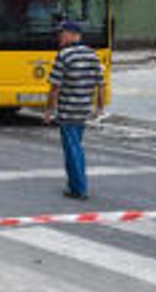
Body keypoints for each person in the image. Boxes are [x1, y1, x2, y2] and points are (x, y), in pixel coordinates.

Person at [44, 20, 105, 200]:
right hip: (83, 109)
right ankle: (73, 185)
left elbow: (54, 87)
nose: (59, 37)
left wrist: (48, 110)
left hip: (68, 110)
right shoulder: (92, 55)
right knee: (75, 146)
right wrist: (99, 107)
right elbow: (100, 84)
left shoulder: (64, 56)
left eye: (62, 34)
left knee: (72, 149)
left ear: (73, 35)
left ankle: (79, 188)